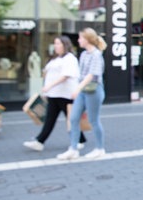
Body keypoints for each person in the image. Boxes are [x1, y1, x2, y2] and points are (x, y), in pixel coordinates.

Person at [23, 36, 87, 151]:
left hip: (66, 94)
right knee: (50, 119)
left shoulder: (69, 58)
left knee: (71, 118)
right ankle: (40, 141)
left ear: (65, 45)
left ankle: (80, 140)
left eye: (58, 44)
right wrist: (46, 88)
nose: (56, 46)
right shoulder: (55, 59)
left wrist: (49, 86)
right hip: (54, 94)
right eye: (55, 43)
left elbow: (65, 76)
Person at [57, 28, 106, 160]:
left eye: (80, 38)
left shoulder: (97, 55)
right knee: (73, 118)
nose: (78, 40)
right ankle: (73, 149)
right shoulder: (84, 54)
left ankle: (100, 148)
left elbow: (91, 75)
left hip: (94, 91)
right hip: (83, 91)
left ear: (87, 39)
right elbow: (81, 75)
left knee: (93, 120)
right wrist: (77, 89)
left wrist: (77, 89)